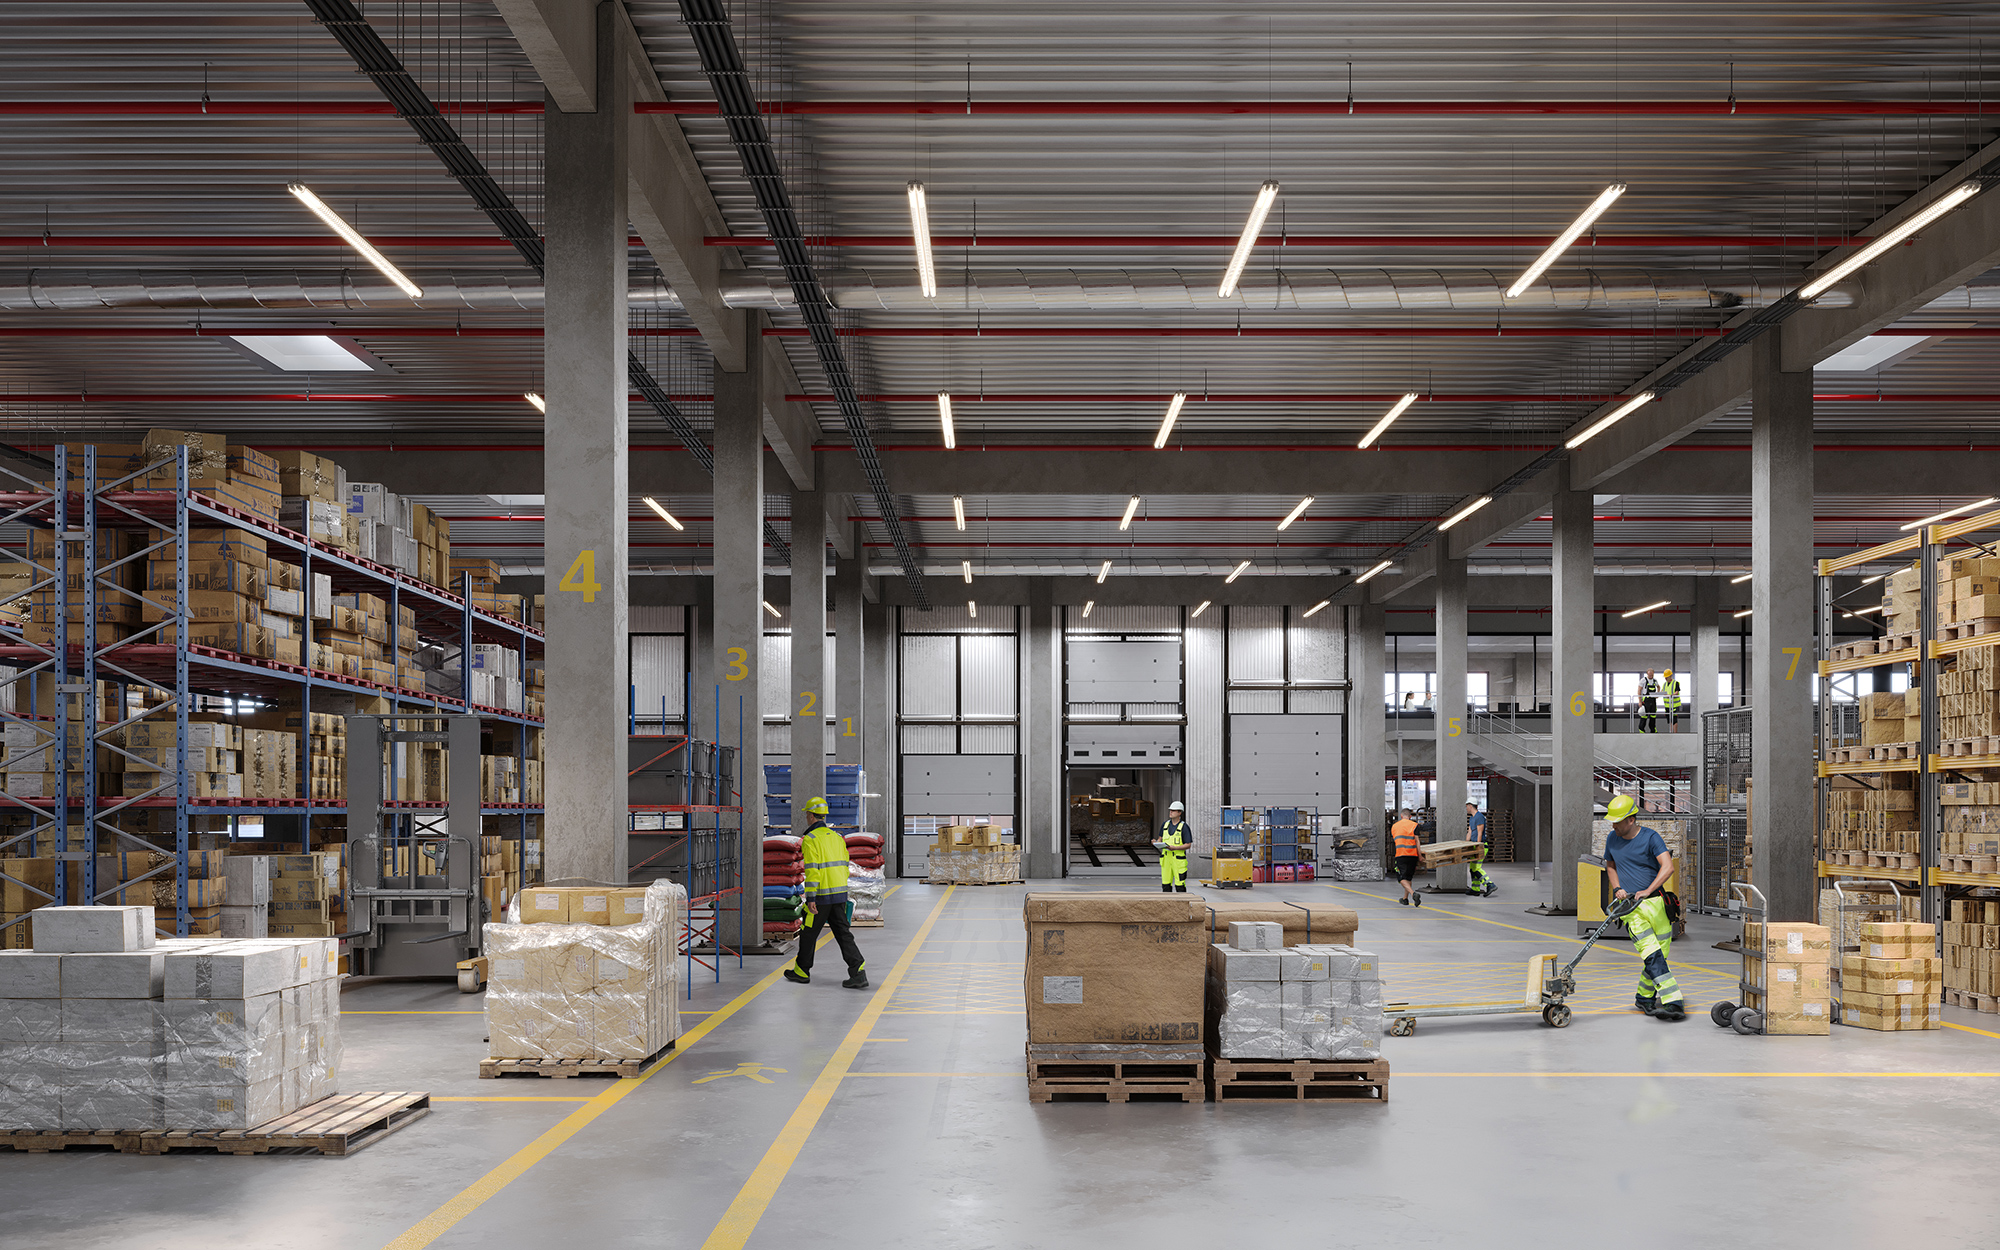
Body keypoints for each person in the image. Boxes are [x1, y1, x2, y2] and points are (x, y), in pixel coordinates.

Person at [1602, 793, 1685, 1021]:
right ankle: (1674, 1001)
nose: (1614, 825)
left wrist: (1649, 890)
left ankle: (1643, 998)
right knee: (1652, 955)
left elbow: (1667, 867)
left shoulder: (1651, 838)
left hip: (1658, 905)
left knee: (1659, 956)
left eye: (1618, 821)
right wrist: (1617, 887)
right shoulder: (1612, 838)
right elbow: (1610, 865)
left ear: (1631, 819)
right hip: (1632, 909)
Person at [783, 797, 868, 989]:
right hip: (839, 895)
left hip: (820, 897)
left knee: (808, 933)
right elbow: (845, 867)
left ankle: (801, 971)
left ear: (811, 816)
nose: (806, 817)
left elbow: (813, 871)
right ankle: (858, 970)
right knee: (843, 933)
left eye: (807, 814)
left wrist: (811, 898)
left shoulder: (811, 840)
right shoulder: (838, 838)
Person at [1155, 800, 1190, 893]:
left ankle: (1182, 906)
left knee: (1180, 885)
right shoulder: (1165, 825)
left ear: (1179, 813)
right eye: (1170, 810)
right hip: (1166, 859)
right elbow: (1160, 839)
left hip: (1178, 860)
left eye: (1173, 810)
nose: (1171, 812)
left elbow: (1188, 844)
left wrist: (1175, 848)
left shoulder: (1184, 827)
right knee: (1166, 885)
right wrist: (1156, 842)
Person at [1390, 808, 1422, 907]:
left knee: (1401, 878)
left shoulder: (1394, 826)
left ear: (1401, 816)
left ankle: (1413, 894)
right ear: (1410, 816)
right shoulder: (1415, 825)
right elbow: (1417, 841)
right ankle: (1405, 899)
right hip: (1412, 855)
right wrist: (1420, 855)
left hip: (1401, 855)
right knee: (1408, 877)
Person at [1466, 801, 1494, 896]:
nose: (1466, 808)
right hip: (1474, 846)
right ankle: (1475, 889)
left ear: (1470, 806)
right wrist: (1465, 845)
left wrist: (1478, 847)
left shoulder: (1479, 817)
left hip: (1480, 846)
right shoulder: (1471, 818)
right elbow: (1469, 832)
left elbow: (1480, 833)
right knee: (1472, 868)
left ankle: (1489, 884)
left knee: (1476, 868)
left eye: (1467, 806)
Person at [1639, 669, 1660, 733]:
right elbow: (1639, 690)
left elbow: (1658, 687)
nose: (1651, 676)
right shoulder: (1643, 680)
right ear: (1647, 674)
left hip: (1653, 700)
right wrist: (1640, 701)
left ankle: (1653, 730)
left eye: (1652, 674)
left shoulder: (1655, 680)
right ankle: (1641, 730)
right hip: (1646, 700)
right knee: (1644, 716)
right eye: (1649, 674)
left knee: (1653, 716)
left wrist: (1657, 694)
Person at [1662, 668, 1683, 732]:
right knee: (1669, 720)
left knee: (1674, 719)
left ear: (1670, 676)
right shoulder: (1664, 684)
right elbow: (1662, 691)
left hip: (1674, 705)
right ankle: (1671, 732)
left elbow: (1677, 692)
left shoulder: (1675, 683)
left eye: (1667, 677)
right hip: (1667, 705)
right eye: (1665, 677)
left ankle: (1675, 733)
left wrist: (1670, 696)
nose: (1665, 678)